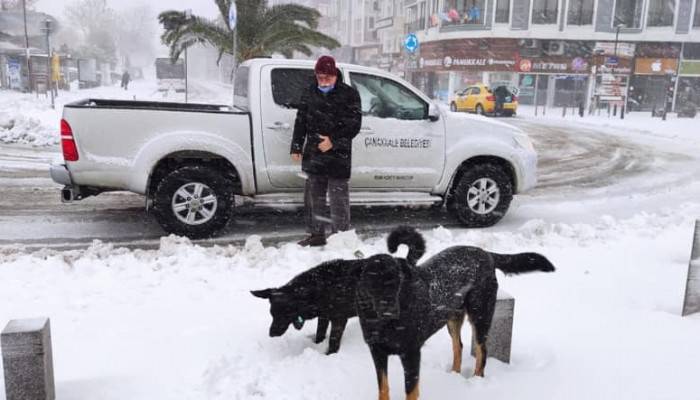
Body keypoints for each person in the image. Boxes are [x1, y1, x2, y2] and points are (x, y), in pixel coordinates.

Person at [291, 55, 362, 247]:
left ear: (335, 75)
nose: (323, 81)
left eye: (327, 78)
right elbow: (301, 120)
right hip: (314, 152)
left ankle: (341, 237)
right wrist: (296, 146)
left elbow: (354, 124)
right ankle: (316, 234)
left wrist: (333, 141)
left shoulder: (349, 94)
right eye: (320, 77)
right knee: (315, 198)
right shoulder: (309, 92)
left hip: (338, 155)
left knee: (339, 199)